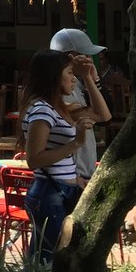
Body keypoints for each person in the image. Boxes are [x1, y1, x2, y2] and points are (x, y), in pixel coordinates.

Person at [23, 49, 95, 263]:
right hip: (49, 192)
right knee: (49, 260)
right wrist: (76, 143)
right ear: (54, 76)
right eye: (70, 73)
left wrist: (88, 77)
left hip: (63, 190)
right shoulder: (42, 110)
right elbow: (34, 159)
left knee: (52, 257)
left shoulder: (60, 108)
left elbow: (104, 114)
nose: (74, 79)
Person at [49, 29, 112, 185]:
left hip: (83, 171)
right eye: (86, 55)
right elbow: (103, 116)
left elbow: (108, 114)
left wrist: (94, 79)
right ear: (72, 57)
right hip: (72, 175)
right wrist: (87, 77)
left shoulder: (75, 82)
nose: (90, 60)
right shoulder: (57, 90)